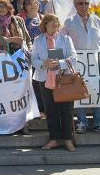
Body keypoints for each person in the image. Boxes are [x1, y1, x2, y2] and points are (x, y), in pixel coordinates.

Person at [61, 0, 100, 134]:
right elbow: (64, 41)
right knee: (78, 91)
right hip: (78, 62)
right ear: (75, 5)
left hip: (95, 62)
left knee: (97, 90)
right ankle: (82, 121)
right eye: (80, 3)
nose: (84, 6)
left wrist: (93, 50)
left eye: (86, 3)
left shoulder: (96, 20)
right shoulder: (69, 21)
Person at [32, 14, 78, 152]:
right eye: (51, 23)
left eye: (56, 23)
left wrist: (60, 63)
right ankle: (54, 139)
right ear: (45, 25)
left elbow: (74, 57)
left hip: (64, 79)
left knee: (66, 111)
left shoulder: (65, 39)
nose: (54, 25)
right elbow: (33, 59)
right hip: (44, 79)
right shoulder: (38, 40)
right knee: (51, 111)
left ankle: (68, 139)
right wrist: (43, 63)